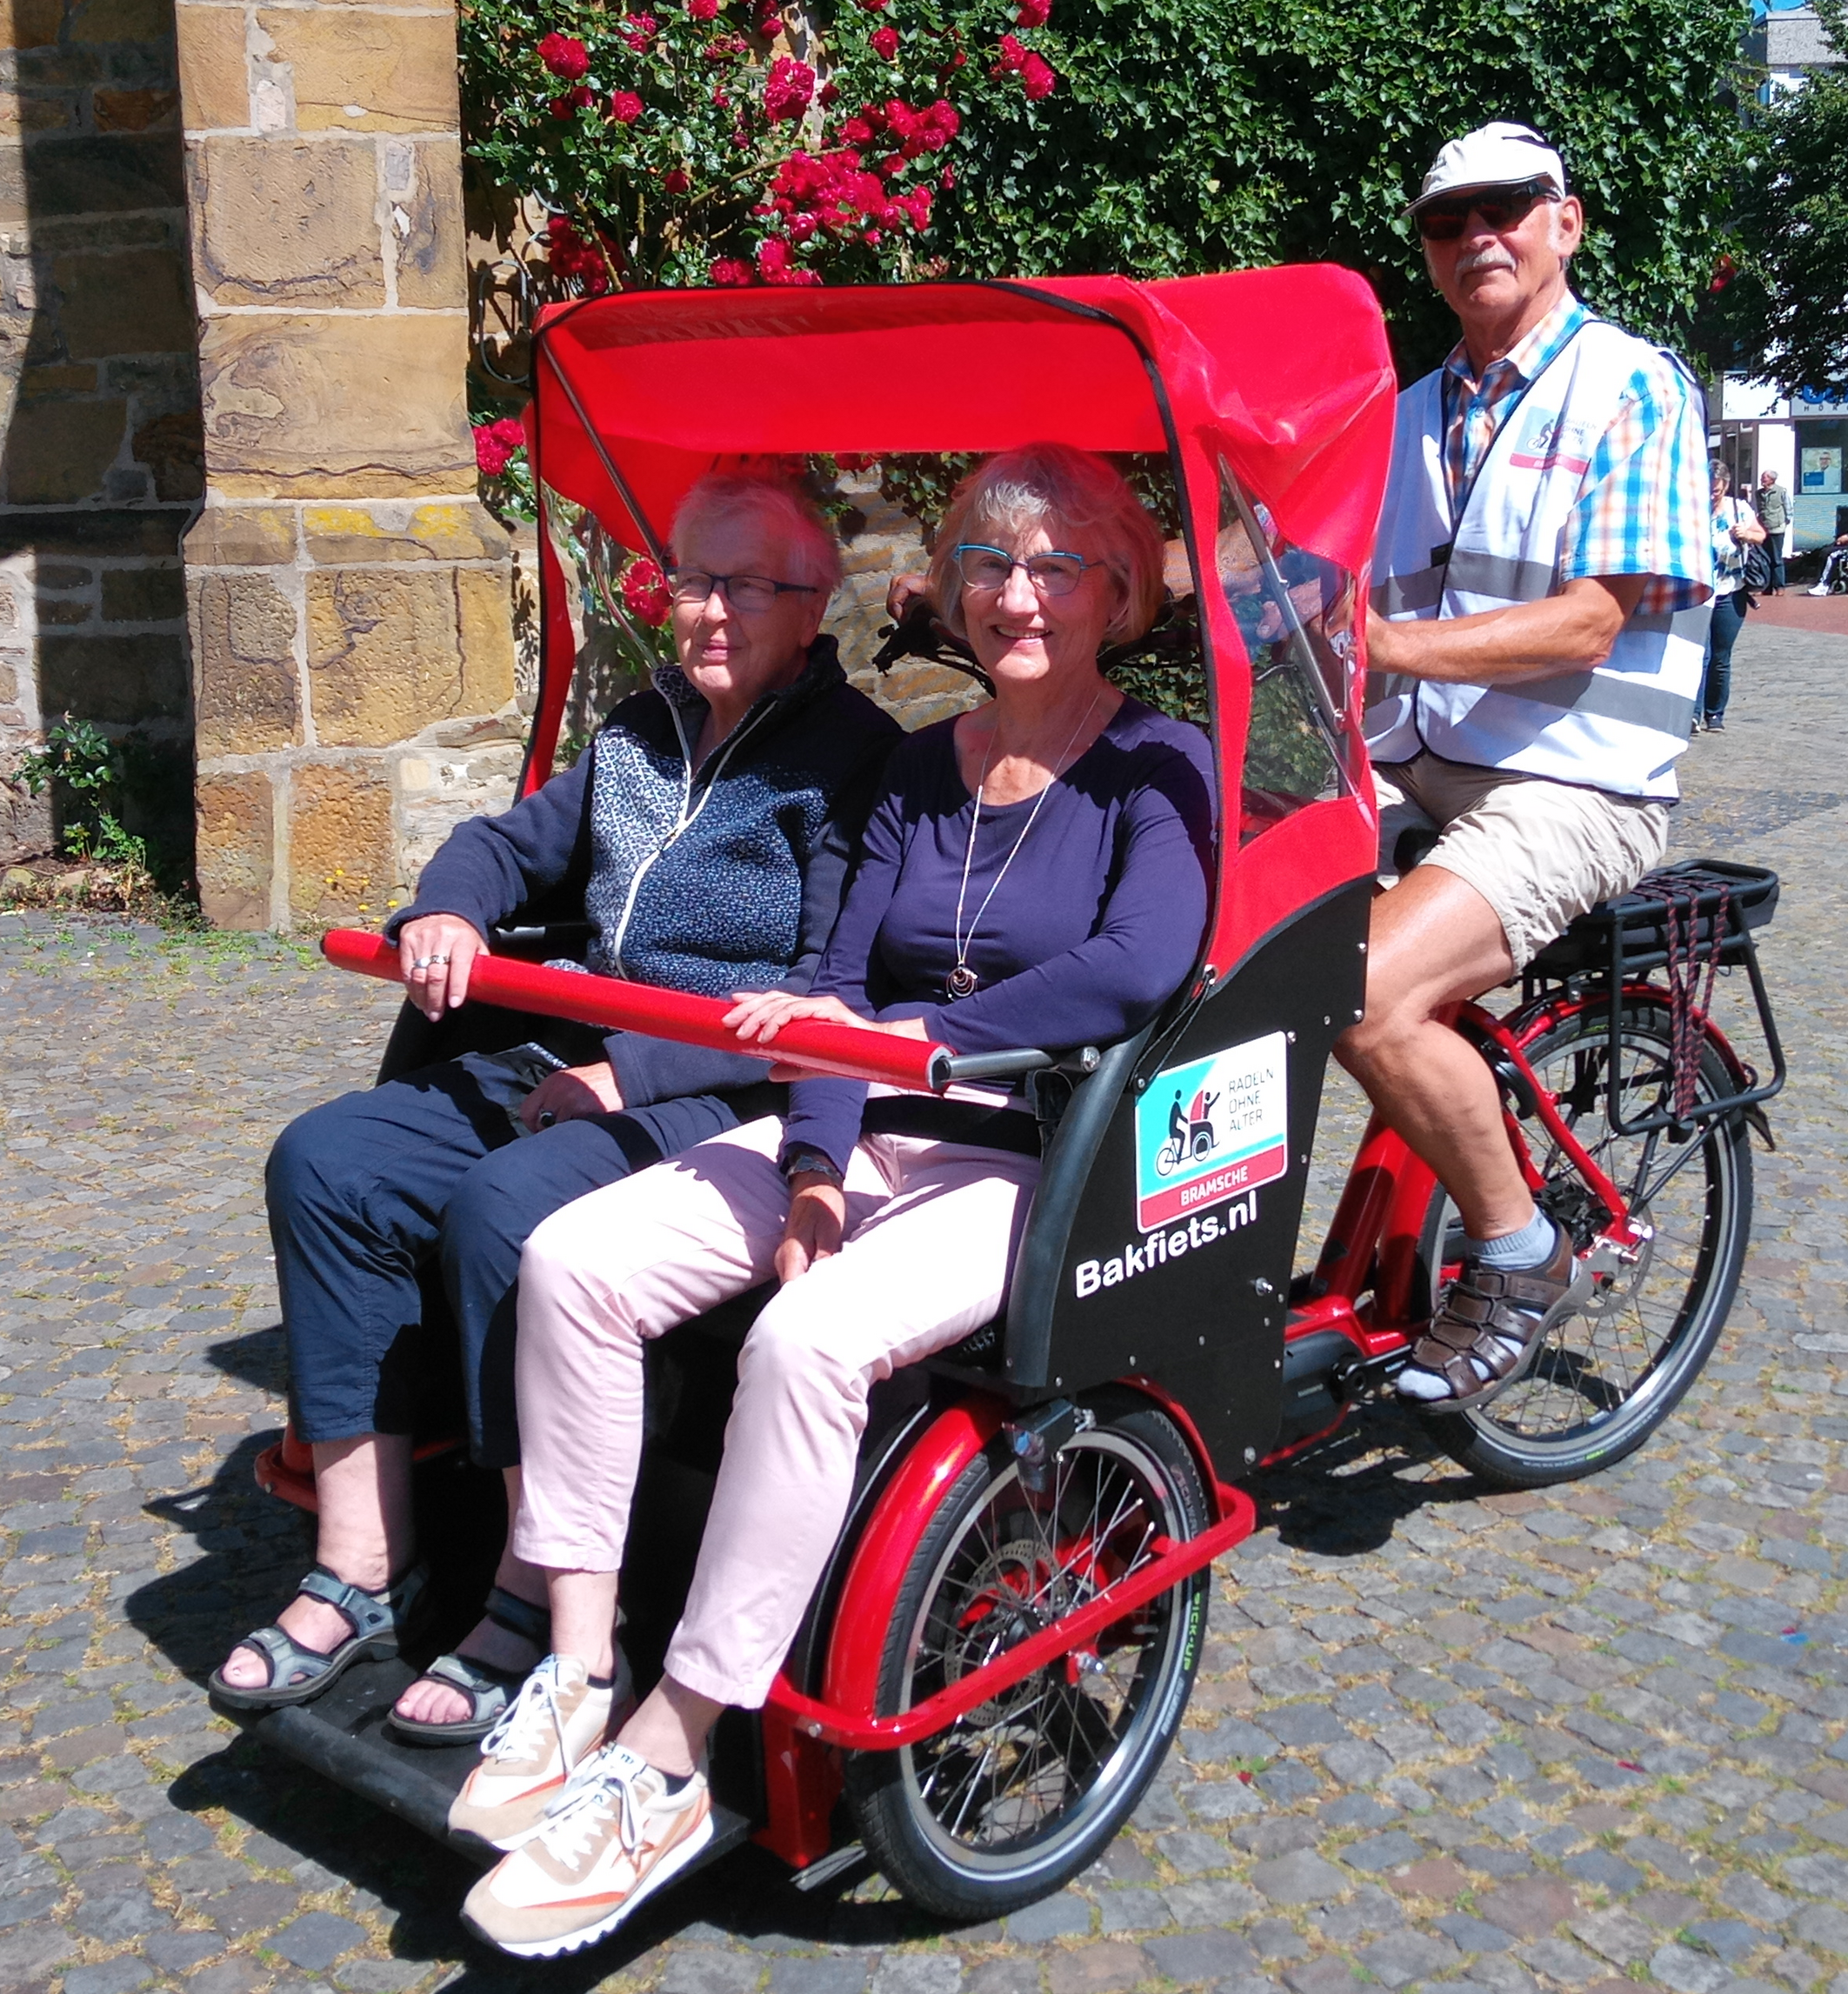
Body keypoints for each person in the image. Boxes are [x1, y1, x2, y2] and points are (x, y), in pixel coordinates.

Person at [450, 443, 1214, 1957]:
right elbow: (832, 981)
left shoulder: (1157, 762)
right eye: (989, 563)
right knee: (574, 1259)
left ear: (1118, 593)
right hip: (863, 1120)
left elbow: (1137, 966)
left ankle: (672, 1751)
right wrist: (811, 1163)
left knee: (805, 1343)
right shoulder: (925, 765)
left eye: (1057, 566)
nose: (1016, 596)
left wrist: (928, 1039)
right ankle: (582, 1666)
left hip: (1027, 1153)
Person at [210, 473, 900, 1738]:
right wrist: (448, 908)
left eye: (747, 587)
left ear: (813, 610)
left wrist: (631, 1074)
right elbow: (507, 843)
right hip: (564, 1046)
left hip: (725, 1087)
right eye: (694, 581)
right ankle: (363, 1565)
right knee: (327, 1162)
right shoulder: (640, 728)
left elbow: (821, 989)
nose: (710, 611)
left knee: (505, 1207)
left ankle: (533, 1593)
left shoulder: (855, 763)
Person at [1355, 122, 1711, 1411]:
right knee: (1200, 915)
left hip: (1577, 781)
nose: (1475, 237)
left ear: (1565, 223)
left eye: (1504, 208)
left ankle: (1520, 1252)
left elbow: (1592, 620)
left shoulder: (1630, 387)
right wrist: (1084, 580)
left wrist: (1388, 642)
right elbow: (1271, 558)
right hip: (1410, 762)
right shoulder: (1403, 415)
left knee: (1363, 995)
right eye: (1445, 222)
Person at [1702, 460, 1765, 733]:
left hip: (1731, 590)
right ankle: (1691, 714)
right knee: (1700, 654)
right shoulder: (1692, 508)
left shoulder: (1739, 509)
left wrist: (1746, 534)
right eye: (1707, 489)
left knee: (1720, 656)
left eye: (1716, 490)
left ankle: (1714, 713)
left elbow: (1761, 536)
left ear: (1725, 486)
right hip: (1699, 593)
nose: (1711, 495)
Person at [1753, 470, 1792, 592]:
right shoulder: (1758, 493)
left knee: (1777, 559)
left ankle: (1780, 586)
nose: (1762, 480)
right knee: (1765, 559)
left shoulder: (1781, 491)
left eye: (1764, 478)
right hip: (1764, 529)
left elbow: (1788, 508)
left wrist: (1784, 522)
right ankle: (1767, 587)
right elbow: (1758, 509)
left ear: (1771, 479)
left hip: (1777, 529)